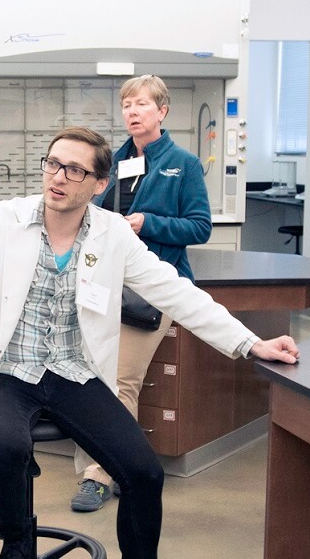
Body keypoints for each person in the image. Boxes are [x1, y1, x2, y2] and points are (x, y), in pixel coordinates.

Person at [0, 126, 300, 559]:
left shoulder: (114, 234)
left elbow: (174, 291)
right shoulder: (2, 218)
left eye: (74, 169)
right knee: (3, 446)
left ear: (99, 184)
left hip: (75, 373)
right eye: (53, 164)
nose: (59, 177)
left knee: (144, 473)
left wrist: (249, 342)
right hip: (6, 373)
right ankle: (17, 541)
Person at [73, 74, 210, 512]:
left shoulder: (183, 164)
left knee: (119, 381)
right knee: (91, 375)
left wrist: (147, 223)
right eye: (127, 104)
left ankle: (101, 473)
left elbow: (200, 227)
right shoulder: (112, 161)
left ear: (162, 111)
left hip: (151, 289)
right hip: (105, 284)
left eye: (142, 105)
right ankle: (107, 462)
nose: (133, 112)